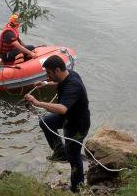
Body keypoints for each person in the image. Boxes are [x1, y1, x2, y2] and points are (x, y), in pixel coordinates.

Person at [24, 55, 90, 193]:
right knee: (45, 122)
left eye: (49, 73)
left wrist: (37, 103)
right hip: (67, 117)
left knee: (73, 155)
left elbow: (62, 108)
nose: (47, 76)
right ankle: (60, 153)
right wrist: (46, 84)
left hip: (78, 124)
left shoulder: (74, 85)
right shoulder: (68, 75)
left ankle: (76, 187)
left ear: (58, 70)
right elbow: (60, 85)